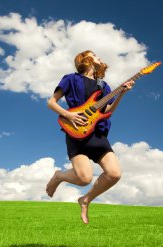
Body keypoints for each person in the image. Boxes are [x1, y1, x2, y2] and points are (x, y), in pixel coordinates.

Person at [46, 50, 134, 224]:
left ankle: (85, 200)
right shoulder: (70, 78)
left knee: (114, 174)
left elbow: (107, 111)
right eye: (95, 55)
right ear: (85, 59)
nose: (99, 57)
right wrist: (69, 115)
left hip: (98, 134)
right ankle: (59, 176)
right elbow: (51, 102)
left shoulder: (104, 86)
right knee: (84, 178)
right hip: (76, 131)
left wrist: (122, 93)